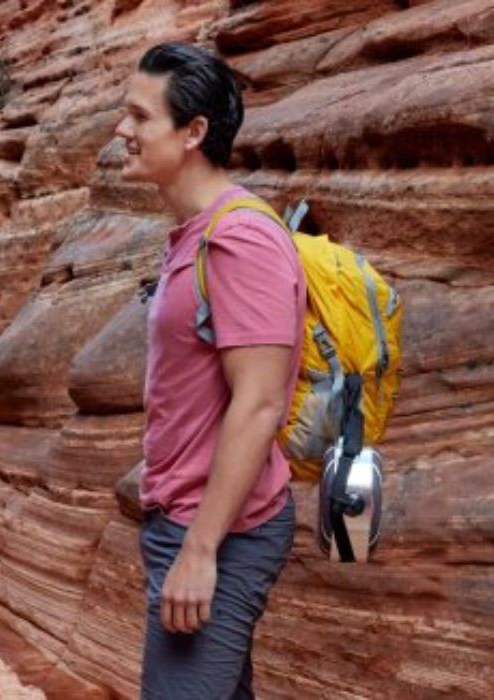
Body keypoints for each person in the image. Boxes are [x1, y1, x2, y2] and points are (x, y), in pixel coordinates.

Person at [114, 43, 306, 699]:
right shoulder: (197, 233)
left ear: (193, 132)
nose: (123, 130)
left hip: (221, 533)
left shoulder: (240, 239)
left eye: (140, 116)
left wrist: (199, 550)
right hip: (190, 517)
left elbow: (259, 404)